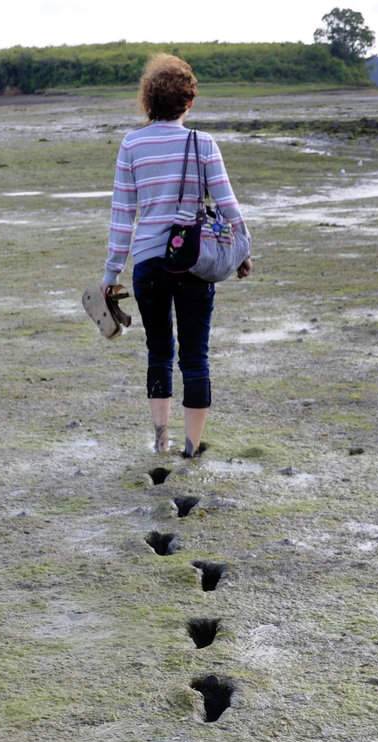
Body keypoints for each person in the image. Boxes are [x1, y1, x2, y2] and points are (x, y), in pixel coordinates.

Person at [101, 54, 252, 457]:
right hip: (194, 262)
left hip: (148, 263)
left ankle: (160, 441)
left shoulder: (132, 144)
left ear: (147, 101)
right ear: (189, 102)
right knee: (195, 356)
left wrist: (111, 272)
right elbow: (228, 205)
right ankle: (191, 446)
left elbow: (122, 216)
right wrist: (243, 251)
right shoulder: (203, 144)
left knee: (159, 351)